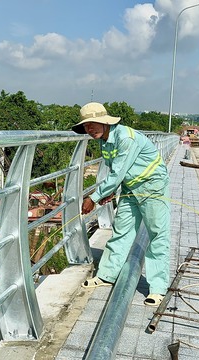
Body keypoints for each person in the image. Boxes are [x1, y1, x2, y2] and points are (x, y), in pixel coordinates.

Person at [72, 102, 171, 306]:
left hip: (151, 185)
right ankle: (107, 275)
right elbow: (116, 171)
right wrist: (110, 192)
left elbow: (117, 173)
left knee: (157, 233)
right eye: (86, 126)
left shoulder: (125, 138)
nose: (90, 130)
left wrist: (94, 198)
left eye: (93, 124)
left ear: (105, 122)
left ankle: (158, 288)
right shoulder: (104, 140)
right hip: (129, 188)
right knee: (121, 230)